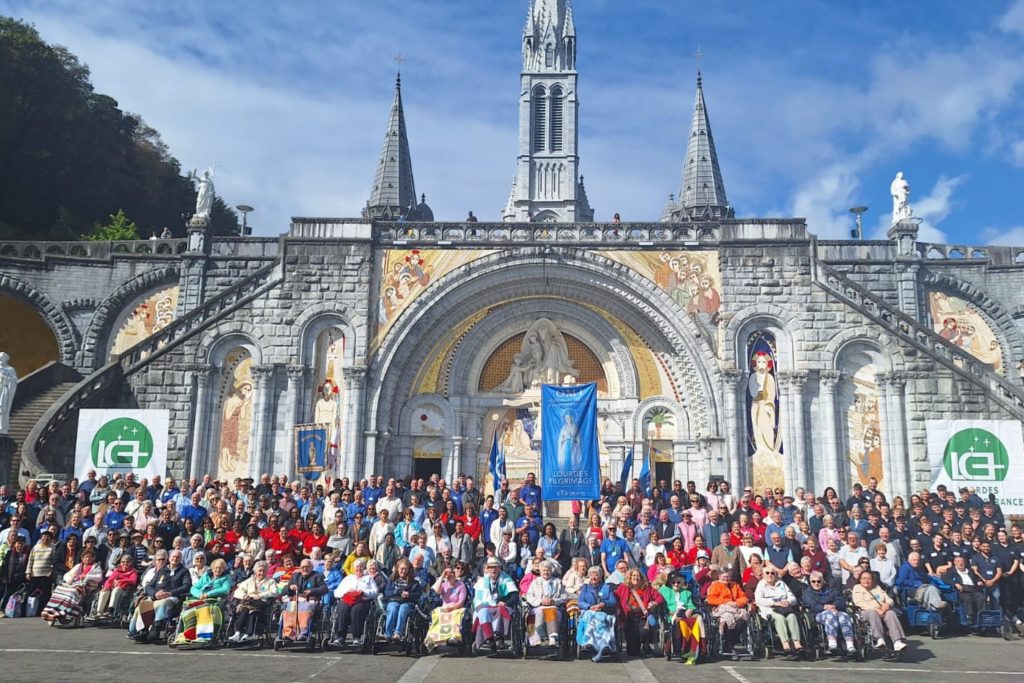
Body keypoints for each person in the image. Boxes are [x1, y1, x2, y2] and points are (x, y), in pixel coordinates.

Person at [40, 547, 103, 624]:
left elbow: (99, 577)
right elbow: (67, 575)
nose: (87, 559)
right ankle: (52, 610)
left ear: (93, 558)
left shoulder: (96, 566)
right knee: (58, 589)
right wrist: (69, 579)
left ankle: (64, 611)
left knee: (73, 592)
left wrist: (87, 576)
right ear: (82, 558)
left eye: (89, 557)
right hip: (75, 584)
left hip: (87, 587)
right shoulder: (78, 566)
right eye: (85, 557)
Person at [801, 570, 856, 658]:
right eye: (813, 581)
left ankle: (850, 644)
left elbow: (841, 600)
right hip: (819, 614)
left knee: (844, 616)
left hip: (835, 610)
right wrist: (824, 607)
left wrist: (834, 605)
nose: (816, 583)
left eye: (819, 581)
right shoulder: (807, 593)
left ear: (823, 581)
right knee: (829, 615)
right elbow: (810, 604)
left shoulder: (830, 590)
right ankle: (832, 642)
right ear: (810, 582)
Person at [851, 569, 907, 652]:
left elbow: (889, 599)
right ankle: (879, 639)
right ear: (860, 580)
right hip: (866, 611)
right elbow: (859, 602)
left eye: (869, 578)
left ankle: (897, 642)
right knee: (873, 613)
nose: (866, 580)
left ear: (872, 580)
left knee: (891, 613)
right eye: (864, 578)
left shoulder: (877, 587)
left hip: (882, 610)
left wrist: (887, 605)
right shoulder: (857, 588)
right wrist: (876, 609)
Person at [755, 564, 804, 659]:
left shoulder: (781, 583)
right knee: (779, 618)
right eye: (767, 573)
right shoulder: (761, 585)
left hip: (784, 608)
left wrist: (788, 601)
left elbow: (793, 598)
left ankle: (797, 643)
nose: (770, 575)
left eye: (772, 573)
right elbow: (759, 600)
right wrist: (774, 603)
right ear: (763, 575)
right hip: (769, 610)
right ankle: (785, 644)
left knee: (792, 616)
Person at [472, 556, 519, 652]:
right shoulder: (481, 581)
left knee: (501, 610)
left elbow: (515, 597)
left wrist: (505, 603)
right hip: (486, 606)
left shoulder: (506, 579)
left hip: (502, 606)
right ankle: (490, 640)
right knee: (482, 612)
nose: (493, 569)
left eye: (495, 567)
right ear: (487, 569)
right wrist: (482, 606)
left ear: (499, 568)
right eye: (491, 567)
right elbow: (477, 600)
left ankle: (500, 638)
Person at [614, 568, 664, 657]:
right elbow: (615, 597)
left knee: (643, 632)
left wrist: (654, 603)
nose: (636, 578)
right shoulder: (624, 587)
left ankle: (645, 645)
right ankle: (637, 648)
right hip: (627, 617)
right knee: (632, 652)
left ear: (641, 578)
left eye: (638, 576)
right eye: (633, 575)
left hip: (642, 616)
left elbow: (660, 598)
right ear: (629, 577)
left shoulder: (647, 588)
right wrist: (617, 607)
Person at [331, 558, 379, 647]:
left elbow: (375, 592)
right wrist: (347, 591)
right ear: (353, 568)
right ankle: (340, 636)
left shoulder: (368, 579)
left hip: (362, 600)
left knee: (356, 610)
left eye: (361, 566)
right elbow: (336, 592)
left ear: (364, 568)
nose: (359, 569)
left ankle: (356, 637)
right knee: (343, 609)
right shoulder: (348, 578)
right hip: (347, 599)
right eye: (357, 567)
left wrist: (364, 592)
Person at [659, 572, 703, 665]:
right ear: (670, 582)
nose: (676, 584)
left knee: (698, 619)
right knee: (680, 622)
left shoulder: (687, 593)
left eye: (678, 582)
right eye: (673, 582)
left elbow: (691, 605)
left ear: (682, 583)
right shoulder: (664, 590)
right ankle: (680, 648)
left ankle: (701, 647)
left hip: (685, 613)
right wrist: (670, 611)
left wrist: (690, 609)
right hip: (672, 614)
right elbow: (660, 603)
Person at [576, 566, 618, 662]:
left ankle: (604, 643)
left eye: (596, 575)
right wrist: (589, 607)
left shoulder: (606, 587)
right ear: (588, 576)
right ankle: (588, 642)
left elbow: (613, 601)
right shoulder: (585, 587)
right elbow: (580, 601)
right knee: (589, 616)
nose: (594, 577)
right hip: (589, 611)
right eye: (591, 575)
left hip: (602, 611)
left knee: (600, 618)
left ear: (600, 576)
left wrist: (603, 604)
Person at [228, 560, 278, 642]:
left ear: (266, 572)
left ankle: (244, 633)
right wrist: (244, 595)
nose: (261, 573)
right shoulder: (250, 580)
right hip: (250, 602)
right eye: (260, 571)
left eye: (264, 571)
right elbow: (238, 591)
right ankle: (239, 633)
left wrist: (260, 595)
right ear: (255, 571)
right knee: (249, 610)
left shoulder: (270, 581)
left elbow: (275, 592)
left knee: (247, 607)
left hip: (262, 603)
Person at [423, 565, 467, 651]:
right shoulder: (444, 585)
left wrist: (453, 608)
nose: (449, 576)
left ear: (454, 575)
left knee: (454, 615)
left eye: (451, 573)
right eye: (447, 574)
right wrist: (442, 575)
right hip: (445, 607)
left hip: (457, 608)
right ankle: (433, 638)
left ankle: (454, 636)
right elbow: (436, 590)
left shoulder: (461, 585)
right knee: (436, 614)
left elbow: (461, 601)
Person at [705, 569, 749, 657]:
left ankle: (731, 643)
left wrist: (737, 603)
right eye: (724, 576)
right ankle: (729, 644)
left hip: (735, 608)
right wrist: (727, 602)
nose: (726, 578)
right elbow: (711, 599)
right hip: (721, 609)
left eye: (728, 576)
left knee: (742, 620)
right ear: (719, 576)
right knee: (728, 618)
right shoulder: (715, 585)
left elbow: (744, 598)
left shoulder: (735, 585)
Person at [281, 558, 327, 641]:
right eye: (303, 567)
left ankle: (303, 633)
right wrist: (290, 588)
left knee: (305, 608)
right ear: (300, 568)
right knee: (290, 607)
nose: (305, 569)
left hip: (310, 600)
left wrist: (312, 591)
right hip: (296, 600)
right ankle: (289, 633)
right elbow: (283, 591)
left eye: (307, 567)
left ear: (312, 567)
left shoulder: (317, 576)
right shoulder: (295, 576)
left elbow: (324, 589)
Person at [525, 559, 568, 646]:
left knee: (551, 610)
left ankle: (552, 637)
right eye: (543, 570)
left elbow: (564, 597)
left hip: (554, 608)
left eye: (548, 570)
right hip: (538, 606)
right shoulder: (535, 582)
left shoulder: (558, 582)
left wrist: (553, 601)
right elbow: (529, 596)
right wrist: (540, 601)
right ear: (540, 571)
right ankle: (536, 638)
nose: (546, 572)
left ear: (551, 571)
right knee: (535, 614)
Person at [382, 557, 422, 640]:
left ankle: (398, 633)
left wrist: (409, 594)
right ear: (397, 569)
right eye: (401, 569)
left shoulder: (414, 582)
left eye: (405, 569)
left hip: (407, 602)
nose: (403, 571)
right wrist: (398, 592)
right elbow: (387, 592)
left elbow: (418, 594)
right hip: (394, 600)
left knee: (403, 608)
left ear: (408, 570)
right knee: (393, 608)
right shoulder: (392, 580)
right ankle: (388, 633)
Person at [943, 554, 986, 625]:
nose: (961, 563)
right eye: (958, 561)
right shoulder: (951, 571)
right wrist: (955, 584)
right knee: (967, 598)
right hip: (962, 590)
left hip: (973, 588)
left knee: (981, 597)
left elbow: (977, 577)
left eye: (962, 561)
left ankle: (981, 616)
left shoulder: (970, 570)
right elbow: (945, 579)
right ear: (955, 563)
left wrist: (979, 581)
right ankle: (969, 616)